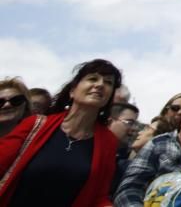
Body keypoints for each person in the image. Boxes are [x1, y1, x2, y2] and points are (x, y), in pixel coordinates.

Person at [0, 59, 121, 205]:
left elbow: (99, 196)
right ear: (72, 91)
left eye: (108, 83)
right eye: (92, 78)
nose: (100, 84)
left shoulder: (108, 142)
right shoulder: (35, 125)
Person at [109, 103, 140, 193]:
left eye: (135, 124)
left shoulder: (121, 161)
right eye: (129, 123)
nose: (134, 129)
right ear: (109, 121)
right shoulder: (89, 151)